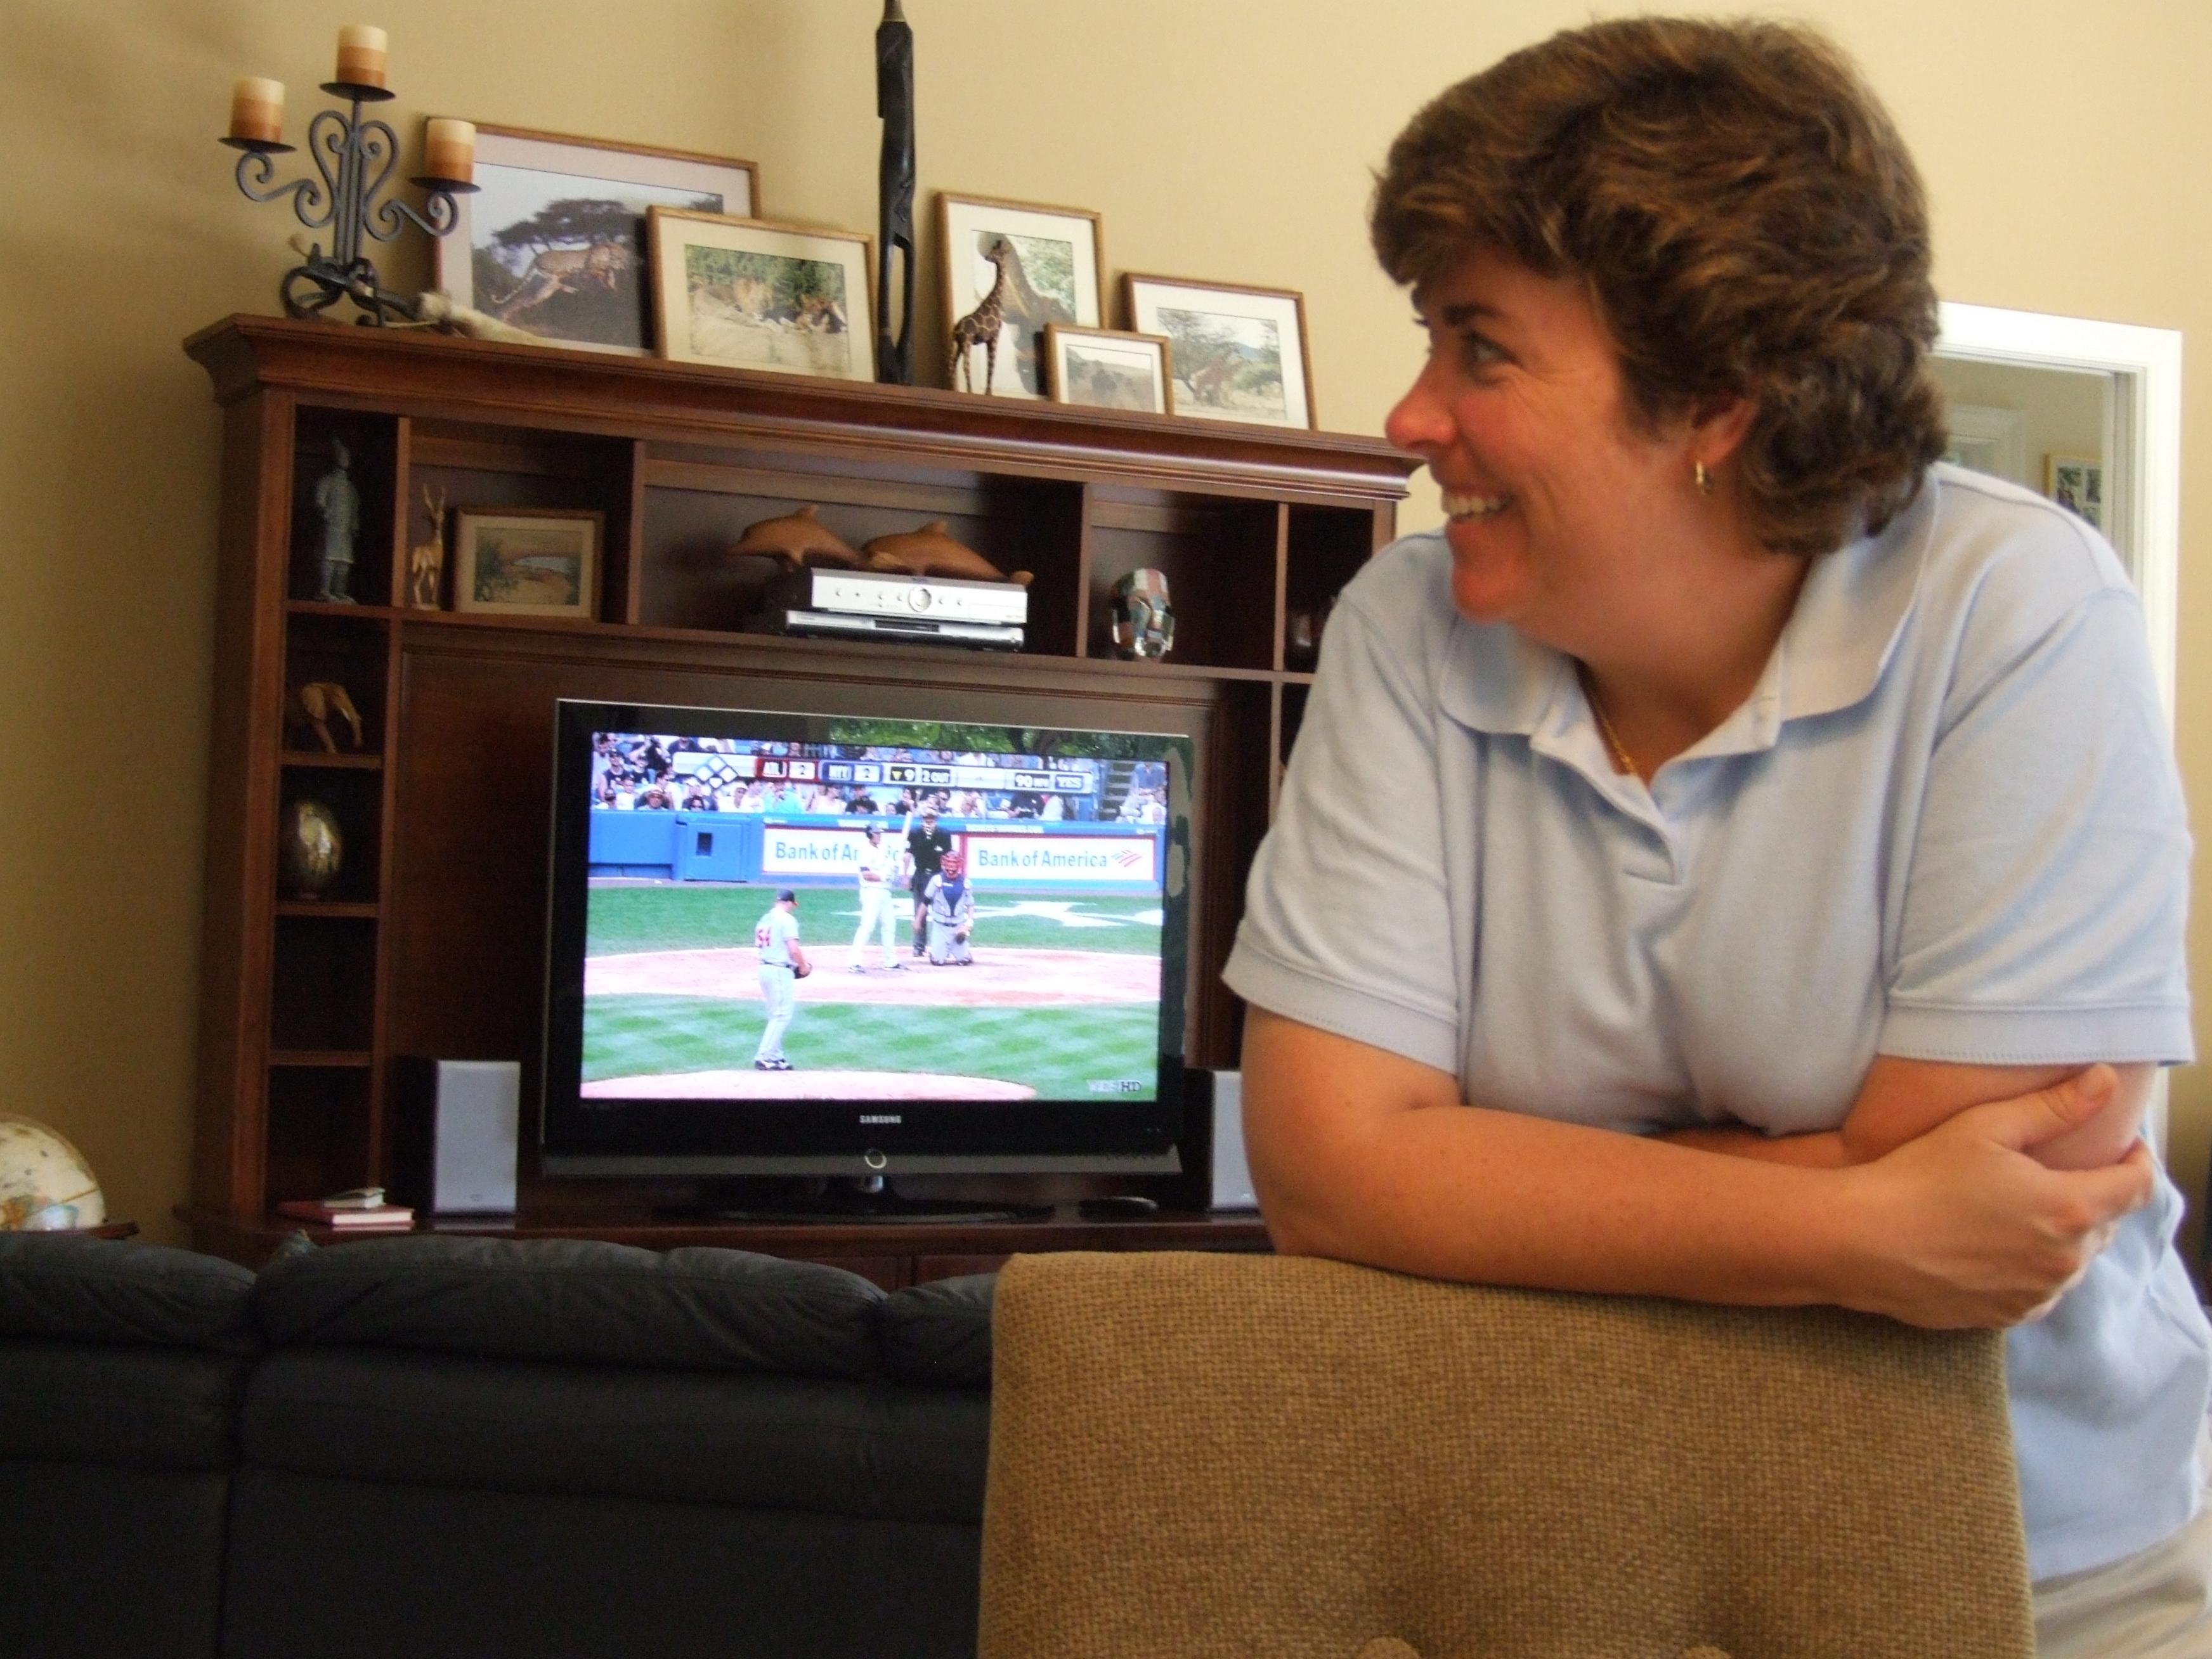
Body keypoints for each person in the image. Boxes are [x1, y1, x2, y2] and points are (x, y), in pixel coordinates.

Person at [1221, 18, 2206, 1655]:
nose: (1409, 416)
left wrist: (1474, 1174)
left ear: (1717, 399)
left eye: (1481, 350)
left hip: (2028, 1563)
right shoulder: (1406, 624)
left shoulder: (2017, 610)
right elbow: (1327, 1173)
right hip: (1562, 1540)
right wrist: (1854, 1219)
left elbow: (2012, 1203)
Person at [751, 888, 808, 1072]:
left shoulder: (764, 919)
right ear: (790, 903)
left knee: (775, 1015)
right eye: (793, 905)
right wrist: (803, 966)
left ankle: (775, 1056)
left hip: (764, 968)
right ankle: (764, 1057)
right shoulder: (787, 920)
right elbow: (793, 949)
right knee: (782, 1015)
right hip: (778, 971)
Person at [850, 824, 906, 972]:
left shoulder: (882, 850)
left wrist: (894, 868)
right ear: (870, 835)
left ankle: (890, 962)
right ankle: (854, 962)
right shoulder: (864, 851)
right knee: (867, 926)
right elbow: (866, 875)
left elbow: (889, 870)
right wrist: (883, 876)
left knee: (890, 925)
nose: (879, 835)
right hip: (871, 892)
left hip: (885, 892)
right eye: (876, 833)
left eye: (880, 833)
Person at [905, 803, 952, 959]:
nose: (929, 821)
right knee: (920, 911)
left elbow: (948, 857)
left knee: (942, 912)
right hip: (920, 874)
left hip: (937, 875)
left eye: (932, 818)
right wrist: (905, 876)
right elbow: (908, 855)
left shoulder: (944, 834)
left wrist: (947, 878)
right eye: (926, 818)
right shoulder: (915, 833)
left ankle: (943, 945)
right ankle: (919, 946)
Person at [923, 850, 975, 965]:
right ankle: (939, 950)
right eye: (949, 864)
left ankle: (962, 951)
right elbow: (925, 901)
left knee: (964, 960)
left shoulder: (966, 883)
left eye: (954, 864)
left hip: (957, 925)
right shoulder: (936, 880)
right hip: (940, 925)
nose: (951, 868)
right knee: (937, 961)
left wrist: (969, 923)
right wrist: (918, 920)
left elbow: (970, 904)